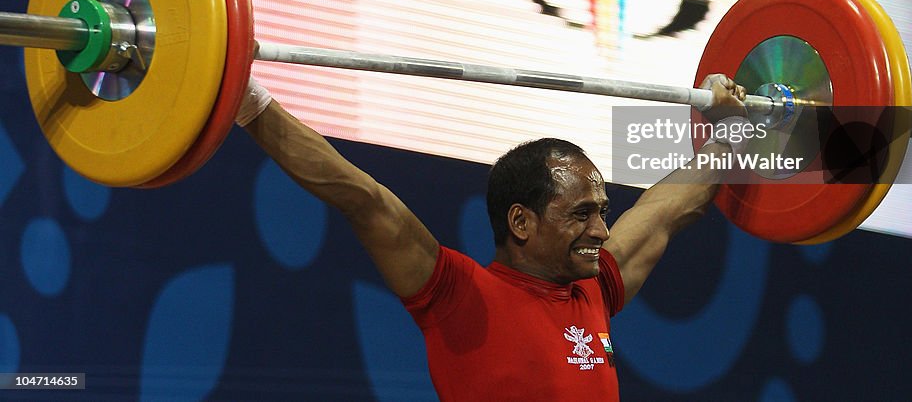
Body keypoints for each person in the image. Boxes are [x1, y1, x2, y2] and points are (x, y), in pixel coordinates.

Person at [236, 72, 747, 401]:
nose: (601, 230)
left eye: (603, 212)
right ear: (521, 222)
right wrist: (246, 101)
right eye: (582, 214)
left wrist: (729, 131)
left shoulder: (595, 289)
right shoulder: (458, 296)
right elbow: (360, 196)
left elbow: (669, 208)